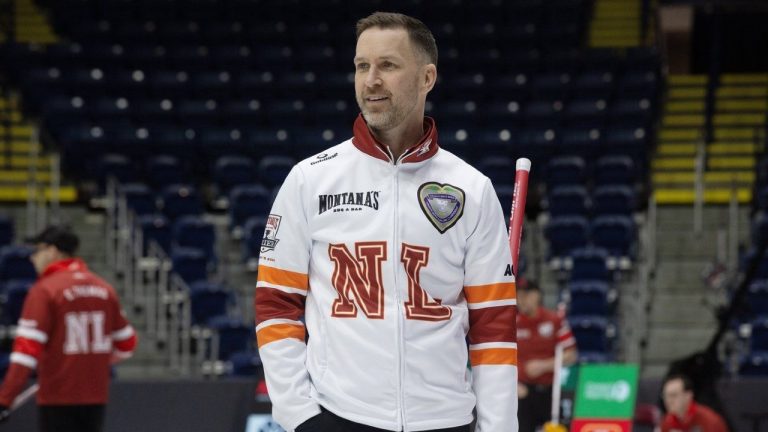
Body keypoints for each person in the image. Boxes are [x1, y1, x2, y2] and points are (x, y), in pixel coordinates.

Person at [254, 11, 518, 432]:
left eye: (388, 65)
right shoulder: (310, 179)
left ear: (427, 77)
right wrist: (298, 415)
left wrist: (499, 428)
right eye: (362, 66)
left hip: (446, 420)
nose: (371, 80)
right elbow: (276, 304)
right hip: (340, 417)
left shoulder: (472, 189)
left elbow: (494, 326)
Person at [0, 225, 137, 432]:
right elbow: (127, 344)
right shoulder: (104, 289)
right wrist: (92, 361)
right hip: (95, 398)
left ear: (52, 251)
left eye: (37, 250)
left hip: (58, 398)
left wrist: (5, 399)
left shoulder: (45, 291)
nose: (32, 258)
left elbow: (25, 354)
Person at [516, 278, 577, 432]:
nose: (521, 300)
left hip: (550, 392)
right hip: (523, 392)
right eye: (518, 296)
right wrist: (513, 383)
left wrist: (544, 366)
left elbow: (571, 354)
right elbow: (502, 357)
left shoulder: (555, 320)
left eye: (525, 295)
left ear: (537, 296)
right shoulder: (512, 324)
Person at [660, 374, 729, 432]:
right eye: (665, 396)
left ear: (688, 396)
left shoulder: (709, 420)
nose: (668, 400)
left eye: (673, 395)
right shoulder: (666, 422)